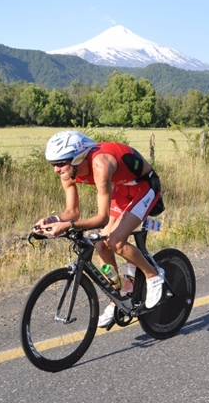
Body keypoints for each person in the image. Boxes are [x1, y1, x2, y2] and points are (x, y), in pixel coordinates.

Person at [33, 130, 166, 327]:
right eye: (53, 164)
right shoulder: (68, 174)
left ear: (77, 158)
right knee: (100, 244)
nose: (56, 170)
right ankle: (116, 298)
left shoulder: (100, 166)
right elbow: (72, 212)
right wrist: (52, 219)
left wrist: (67, 226)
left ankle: (153, 276)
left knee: (115, 241)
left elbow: (101, 218)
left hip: (144, 186)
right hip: (121, 187)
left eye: (61, 163)